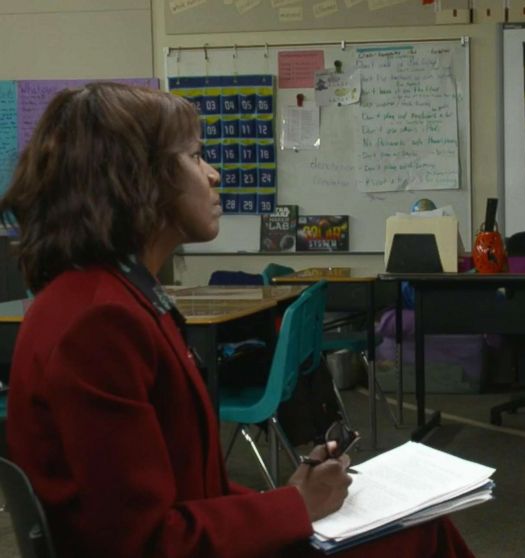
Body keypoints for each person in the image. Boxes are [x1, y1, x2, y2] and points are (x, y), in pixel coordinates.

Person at [0, 82, 473, 558]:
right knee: (421, 538)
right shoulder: (99, 322)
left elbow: (188, 495)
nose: (214, 174)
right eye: (195, 156)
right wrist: (295, 508)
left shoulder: (113, 296)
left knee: (419, 526)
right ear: (139, 178)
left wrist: (292, 501)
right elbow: (143, 542)